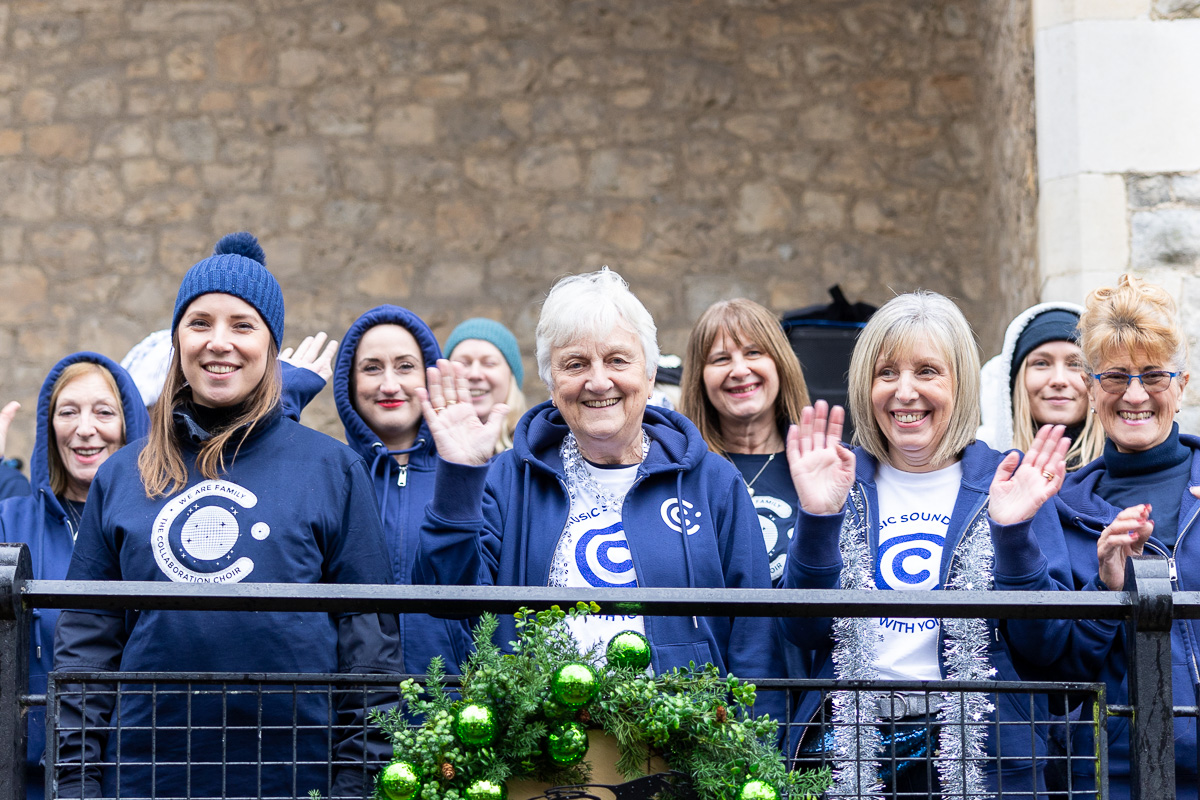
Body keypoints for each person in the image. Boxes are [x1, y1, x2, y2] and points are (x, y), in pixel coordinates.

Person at [53, 232, 400, 799]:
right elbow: (86, 645)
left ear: (270, 345)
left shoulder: (331, 470)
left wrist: (355, 783)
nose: (220, 343)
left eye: (242, 325)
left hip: (295, 775)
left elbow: (370, 644)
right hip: (146, 777)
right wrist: (78, 784)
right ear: (177, 341)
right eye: (200, 323)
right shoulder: (122, 475)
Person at [412, 268, 783, 717]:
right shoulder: (508, 479)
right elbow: (445, 593)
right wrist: (459, 476)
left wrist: (752, 753)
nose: (598, 381)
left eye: (617, 360)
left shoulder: (713, 482)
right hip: (537, 747)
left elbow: (755, 638)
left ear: (649, 376)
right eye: (575, 364)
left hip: (686, 750)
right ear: (552, 386)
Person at [782, 290, 1072, 797]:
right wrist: (818, 517)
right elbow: (803, 632)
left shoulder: (1009, 480)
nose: (904, 391)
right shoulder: (840, 478)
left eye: (927, 372)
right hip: (850, 753)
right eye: (886, 372)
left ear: (960, 383)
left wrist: (1013, 535)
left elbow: (1046, 647)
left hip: (988, 757)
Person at [1048, 274, 1198, 799]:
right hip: (1110, 778)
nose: (1135, 395)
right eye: (1115, 378)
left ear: (1182, 386)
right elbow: (1054, 672)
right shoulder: (1061, 511)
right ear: (1091, 390)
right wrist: (1105, 593)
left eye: (1153, 376)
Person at [0, 354, 149, 800]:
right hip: (23, 777)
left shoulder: (157, 527)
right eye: (68, 412)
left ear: (130, 426)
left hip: (135, 773)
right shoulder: (9, 521)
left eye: (104, 412)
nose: (85, 428)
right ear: (50, 430)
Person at [334, 305, 473, 676]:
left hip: (458, 708)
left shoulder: (471, 479)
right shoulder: (331, 478)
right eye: (372, 367)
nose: (390, 384)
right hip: (358, 712)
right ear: (348, 382)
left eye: (405, 366)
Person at [680, 298, 811, 586]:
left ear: (780, 364)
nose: (739, 370)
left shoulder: (819, 464)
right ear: (700, 379)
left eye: (753, 353)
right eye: (721, 359)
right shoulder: (680, 475)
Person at [978, 302, 1105, 469]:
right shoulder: (979, 465)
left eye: (1075, 364)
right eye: (1041, 363)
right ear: (1014, 379)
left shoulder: (1125, 464)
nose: (1059, 380)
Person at [444, 318, 528, 455]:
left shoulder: (535, 450)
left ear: (511, 376)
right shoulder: (422, 449)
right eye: (463, 363)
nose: (474, 374)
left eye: (489, 363)